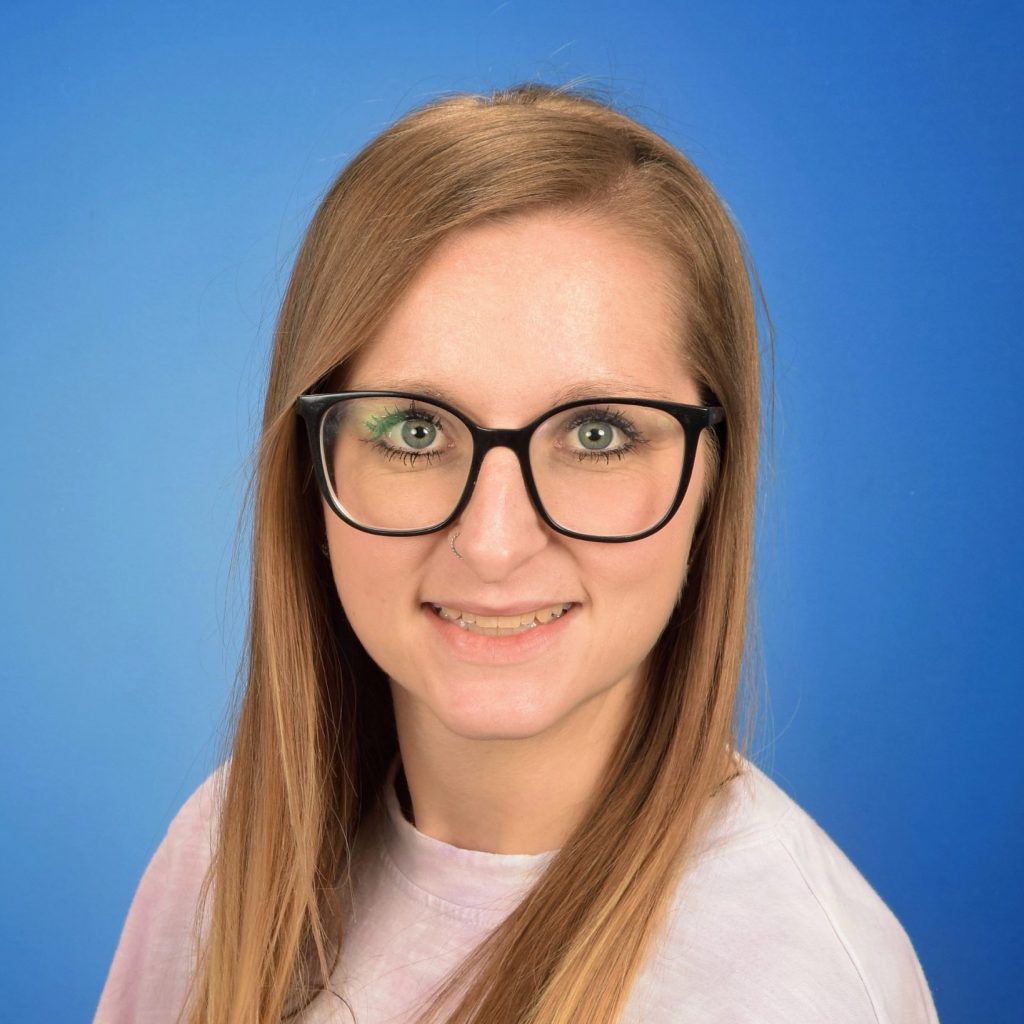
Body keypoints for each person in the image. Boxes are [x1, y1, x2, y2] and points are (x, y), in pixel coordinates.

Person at [94, 84, 939, 1024]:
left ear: (714, 474)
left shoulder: (798, 987)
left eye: (597, 434)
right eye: (416, 431)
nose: (494, 544)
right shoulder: (224, 861)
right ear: (311, 469)